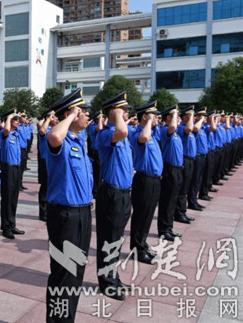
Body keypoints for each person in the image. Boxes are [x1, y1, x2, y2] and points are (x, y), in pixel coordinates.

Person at [44, 88, 92, 322]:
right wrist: (71, 116)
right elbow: (53, 137)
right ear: (70, 115)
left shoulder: (78, 140)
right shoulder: (59, 140)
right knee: (64, 275)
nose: (87, 116)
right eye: (83, 112)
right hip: (65, 215)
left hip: (82, 214)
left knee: (76, 273)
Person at [95, 91, 133, 301]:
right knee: (109, 239)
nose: (127, 112)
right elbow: (121, 131)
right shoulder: (105, 134)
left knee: (116, 239)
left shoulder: (121, 132)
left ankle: (113, 276)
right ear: (113, 112)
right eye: (123, 109)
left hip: (123, 194)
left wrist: (118, 114)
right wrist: (116, 115)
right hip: (111, 194)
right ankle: (107, 282)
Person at [129, 101, 162, 265]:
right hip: (144, 180)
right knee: (141, 216)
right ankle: (137, 249)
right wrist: (148, 121)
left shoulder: (153, 134)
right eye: (153, 115)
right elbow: (143, 137)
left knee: (148, 215)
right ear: (145, 116)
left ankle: (142, 243)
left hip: (154, 180)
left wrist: (151, 122)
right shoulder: (138, 134)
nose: (157, 118)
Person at [157, 105, 186, 241]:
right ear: (169, 118)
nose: (178, 119)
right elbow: (172, 127)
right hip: (169, 170)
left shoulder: (175, 134)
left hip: (177, 169)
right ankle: (164, 229)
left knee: (173, 200)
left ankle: (169, 228)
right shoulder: (165, 131)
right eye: (176, 116)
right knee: (167, 201)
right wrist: (174, 114)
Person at [0, 108, 25, 239]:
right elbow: (6, 130)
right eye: (15, 119)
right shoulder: (4, 134)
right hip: (7, 169)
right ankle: (6, 227)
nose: (18, 121)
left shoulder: (16, 134)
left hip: (16, 168)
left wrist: (16, 116)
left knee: (14, 198)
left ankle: (12, 224)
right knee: (7, 198)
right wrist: (8, 118)